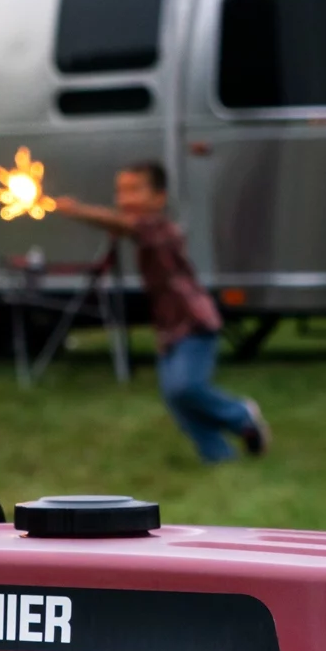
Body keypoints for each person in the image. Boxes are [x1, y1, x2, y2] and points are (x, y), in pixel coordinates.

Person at [53, 162, 268, 464]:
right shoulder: (141, 230)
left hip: (194, 321)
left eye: (135, 190)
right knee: (176, 398)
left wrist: (75, 210)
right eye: (121, 191)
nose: (126, 199)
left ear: (159, 198)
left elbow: (125, 225)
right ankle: (219, 455)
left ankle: (240, 415)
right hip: (170, 326)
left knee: (186, 387)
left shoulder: (160, 228)